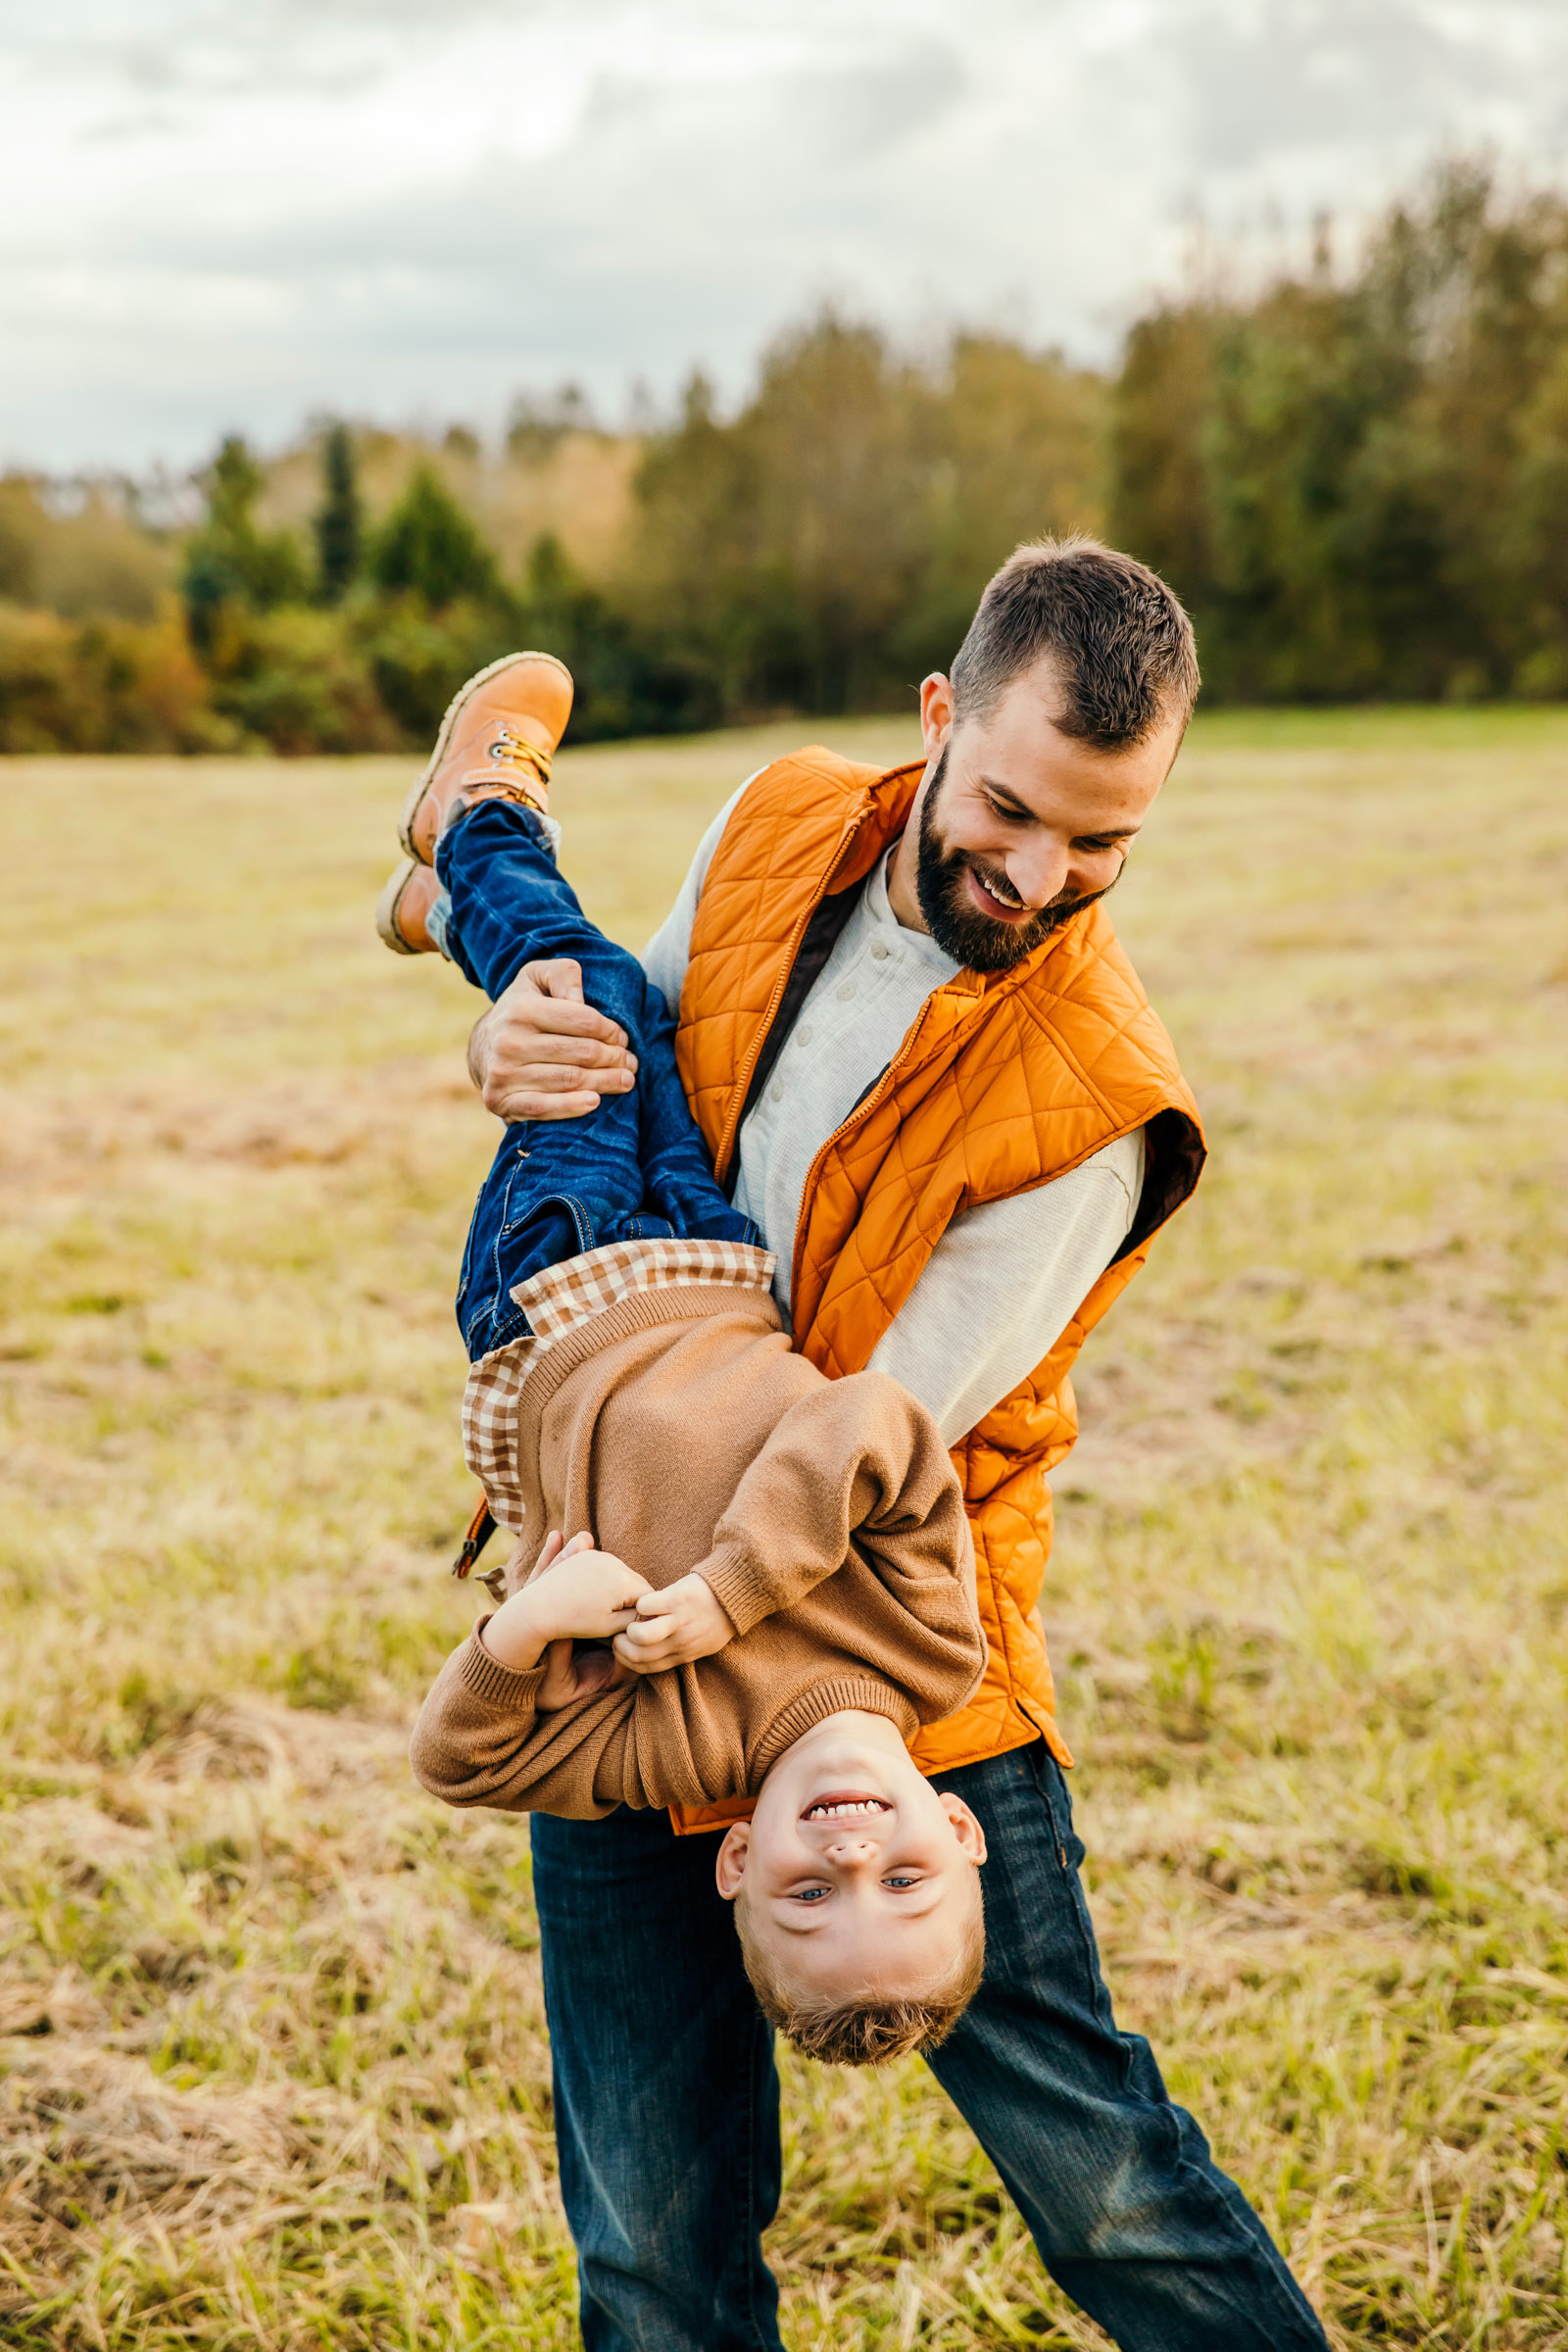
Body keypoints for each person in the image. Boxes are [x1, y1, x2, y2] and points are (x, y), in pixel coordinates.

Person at [459, 539, 1334, 2352]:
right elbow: (644, 1075)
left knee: (1107, 2186)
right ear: (940, 717)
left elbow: (869, 1445)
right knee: (648, 2233)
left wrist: (645, 1564)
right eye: (1011, 810)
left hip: (889, 1661)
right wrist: (525, 1033)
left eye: (1104, 845)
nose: (1040, 879)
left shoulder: (1098, 1101)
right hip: (627, 1617)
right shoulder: (780, 818)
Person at [382, 653, 992, 2063]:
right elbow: (878, 1435)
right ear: (957, 1831)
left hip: (561, 1301)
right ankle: (448, 904)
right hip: (717, 1269)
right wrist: (723, 1594)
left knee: (587, 992)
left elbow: (456, 1763)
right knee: (643, 1007)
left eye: (806, 1891)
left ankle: (478, 819)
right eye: (903, 1878)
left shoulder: (680, 1757)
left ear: (733, 1866)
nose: (852, 1852)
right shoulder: (930, 1652)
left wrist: (523, 1635)